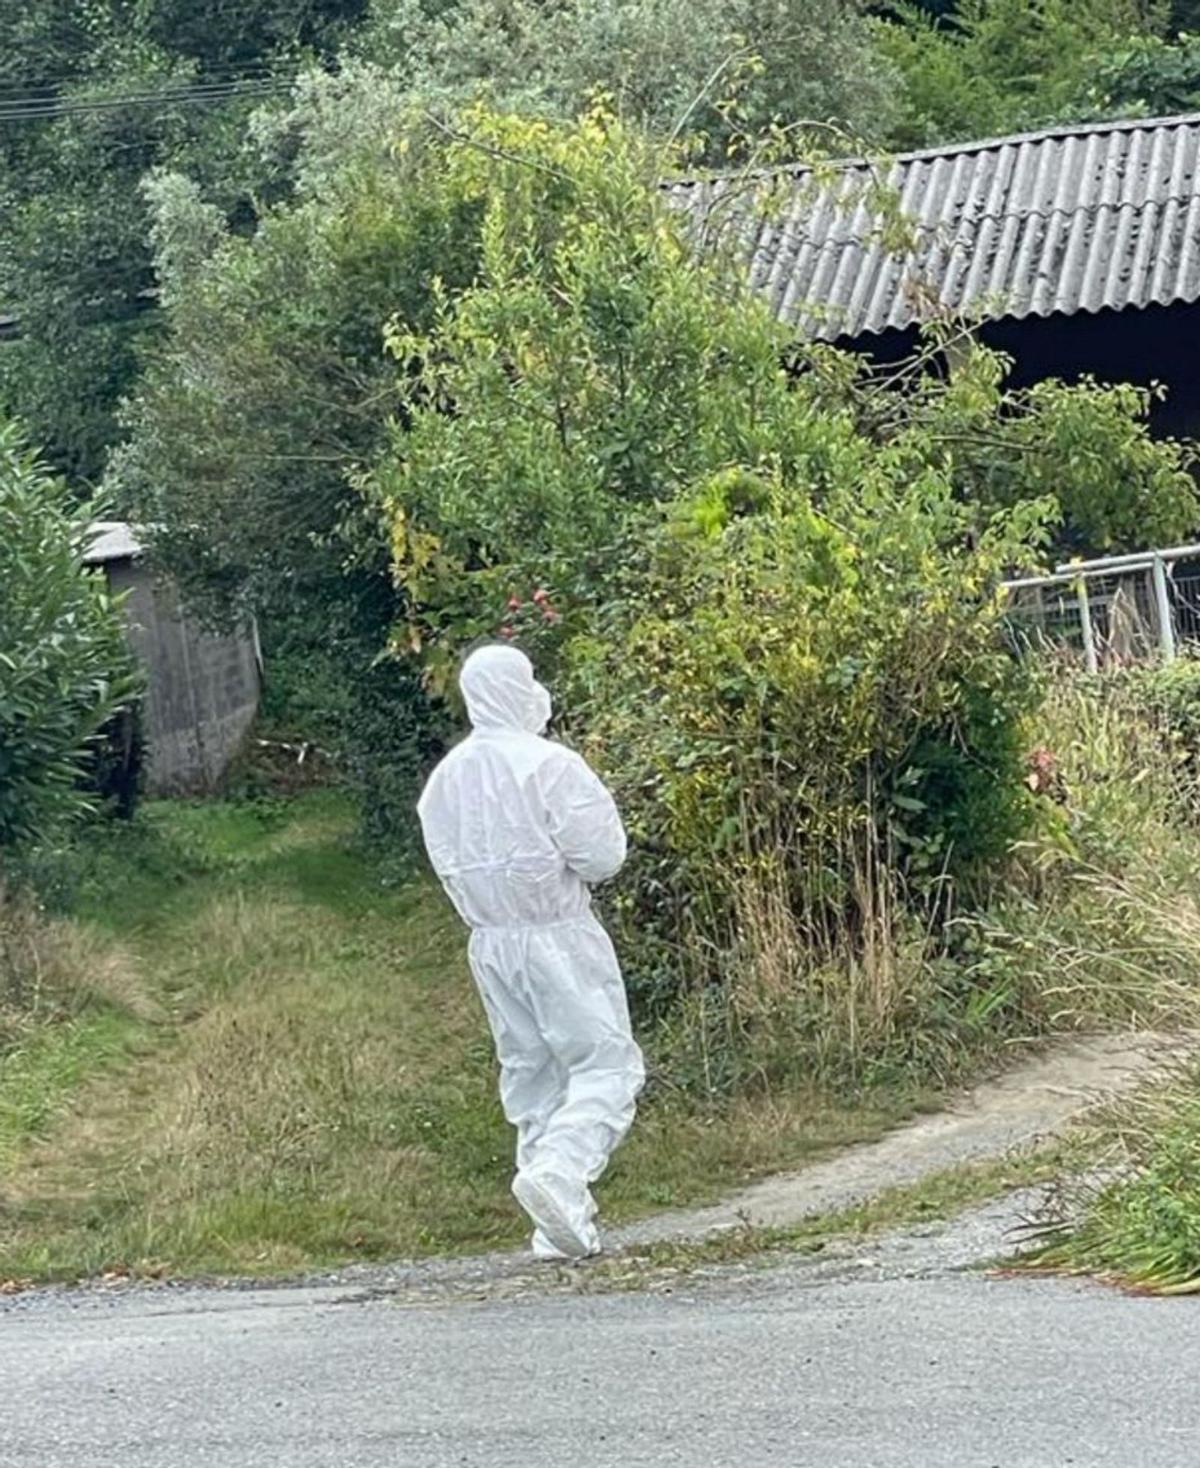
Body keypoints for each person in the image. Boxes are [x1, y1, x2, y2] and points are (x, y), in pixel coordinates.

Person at [417, 643, 645, 1260]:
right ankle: (562, 1175)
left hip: (490, 943)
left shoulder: (444, 781)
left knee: (532, 1074)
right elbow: (602, 857)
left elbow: (447, 863)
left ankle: (556, 1228)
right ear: (518, 688)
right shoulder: (549, 765)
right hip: (557, 933)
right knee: (605, 1065)